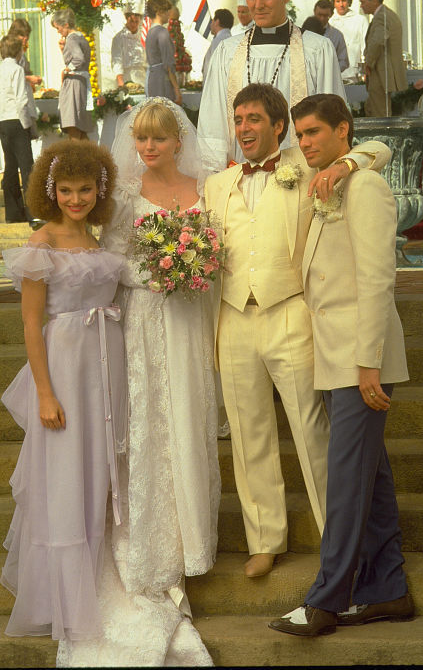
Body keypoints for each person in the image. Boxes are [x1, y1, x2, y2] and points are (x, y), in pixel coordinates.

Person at [56, 97, 220, 666]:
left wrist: (194, 265)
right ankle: (148, 550)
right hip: (143, 322)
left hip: (192, 323)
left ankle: (192, 540)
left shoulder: (208, 189)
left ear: (179, 141)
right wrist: (163, 268)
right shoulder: (124, 199)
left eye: (159, 139)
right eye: (141, 140)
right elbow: (113, 262)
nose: (147, 148)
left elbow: (221, 251)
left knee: (189, 421)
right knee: (148, 426)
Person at [204, 82, 391, 579]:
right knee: (248, 434)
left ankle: (339, 541)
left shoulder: (307, 164)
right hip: (232, 315)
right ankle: (264, 540)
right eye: (238, 120)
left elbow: (378, 149)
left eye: (254, 120)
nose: (244, 128)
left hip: (290, 311)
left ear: (277, 125)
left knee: (313, 431)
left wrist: (346, 164)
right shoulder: (217, 185)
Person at [268, 93, 412, 638]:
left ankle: (326, 600)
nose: (303, 143)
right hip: (332, 356)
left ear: (342, 131)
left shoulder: (365, 185)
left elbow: (378, 280)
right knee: (370, 477)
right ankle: (389, 590)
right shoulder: (332, 179)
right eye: (299, 134)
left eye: (312, 133)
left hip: (358, 360)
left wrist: (368, 364)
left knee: (347, 478)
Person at [0, 139, 127, 641]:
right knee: (64, 474)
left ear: (100, 189)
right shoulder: (41, 246)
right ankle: (64, 599)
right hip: (64, 368)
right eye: (68, 191)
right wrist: (45, 393)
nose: (77, 200)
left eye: (86, 190)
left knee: (98, 467)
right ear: (51, 192)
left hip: (105, 364)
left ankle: (98, 579)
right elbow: (33, 326)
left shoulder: (99, 240)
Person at [198, 0, 345, 174]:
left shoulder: (317, 49)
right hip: (240, 178)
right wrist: (214, 178)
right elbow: (212, 121)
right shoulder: (226, 52)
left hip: (301, 178)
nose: (258, 5)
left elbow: (332, 118)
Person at [0, 35, 36, 225]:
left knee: (10, 166)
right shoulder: (17, 69)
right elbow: (21, 100)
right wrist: (27, 125)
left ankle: (13, 213)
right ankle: (33, 214)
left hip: (3, 121)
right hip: (16, 119)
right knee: (27, 166)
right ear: (18, 51)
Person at [358, 0, 407, 117]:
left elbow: (377, 42)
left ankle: (381, 138)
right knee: (372, 108)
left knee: (379, 113)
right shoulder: (387, 14)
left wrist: (368, 63)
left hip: (381, 72)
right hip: (385, 71)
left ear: (374, 1)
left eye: (363, 2)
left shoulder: (381, 17)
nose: (361, 6)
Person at [51, 8, 94, 139]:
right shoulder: (81, 37)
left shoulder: (72, 39)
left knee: (73, 124)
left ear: (66, 25)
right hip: (80, 82)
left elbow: (78, 59)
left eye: (58, 28)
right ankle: (92, 157)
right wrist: (63, 50)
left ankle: (75, 157)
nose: (58, 32)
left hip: (73, 84)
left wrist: (67, 69)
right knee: (80, 127)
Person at [329, 0, 368, 82]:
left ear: (348, 1)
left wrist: (364, 70)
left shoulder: (360, 20)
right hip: (337, 73)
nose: (341, 4)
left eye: (343, 1)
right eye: (338, 1)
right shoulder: (331, 22)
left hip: (356, 73)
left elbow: (366, 46)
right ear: (334, 3)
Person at [145, 0, 182, 105]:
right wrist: (176, 89)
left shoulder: (150, 32)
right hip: (162, 80)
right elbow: (168, 65)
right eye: (166, 11)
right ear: (160, 12)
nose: (168, 14)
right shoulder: (162, 32)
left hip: (152, 78)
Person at [111, 0, 147, 87]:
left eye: (136, 21)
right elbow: (117, 60)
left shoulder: (143, 36)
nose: (134, 24)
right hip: (126, 77)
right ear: (126, 19)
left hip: (142, 78)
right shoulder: (119, 38)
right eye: (131, 21)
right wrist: (120, 82)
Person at [312, 0, 349, 73]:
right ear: (314, 12)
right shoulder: (305, 32)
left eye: (325, 16)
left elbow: (343, 61)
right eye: (319, 15)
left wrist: (329, 71)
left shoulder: (337, 35)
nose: (322, 19)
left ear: (331, 15)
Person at [202, 8, 234, 82]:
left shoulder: (218, 41)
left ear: (217, 22)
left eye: (212, 20)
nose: (211, 24)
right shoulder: (232, 40)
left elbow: (213, 68)